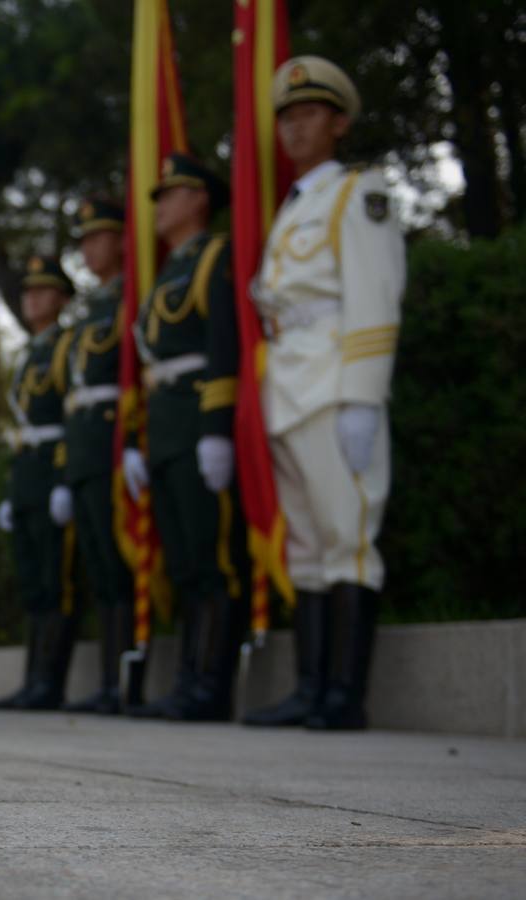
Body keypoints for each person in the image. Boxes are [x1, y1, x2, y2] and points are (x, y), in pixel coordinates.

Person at [243, 57, 404, 731]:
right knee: (306, 545)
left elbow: (374, 296)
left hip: (336, 385)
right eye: (286, 116)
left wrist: (364, 396)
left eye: (308, 114)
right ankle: (310, 690)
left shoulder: (358, 193)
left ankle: (345, 695)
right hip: (287, 385)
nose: (293, 127)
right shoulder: (294, 208)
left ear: (337, 123)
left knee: (350, 539)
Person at [123, 154, 249, 722]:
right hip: (168, 430)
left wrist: (216, 428)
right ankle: (188, 683)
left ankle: (212, 687)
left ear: (199, 199)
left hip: (199, 420)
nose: (160, 206)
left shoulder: (214, 256)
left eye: (170, 194)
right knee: (184, 564)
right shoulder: (167, 274)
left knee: (214, 558)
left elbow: (224, 344)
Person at [50, 199, 142, 714]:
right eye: (83, 239)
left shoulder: (130, 296)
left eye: (98, 237)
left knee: (121, 559)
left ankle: (127, 679)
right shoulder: (92, 308)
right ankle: (111, 680)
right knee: (101, 568)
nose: (88, 247)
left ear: (122, 241)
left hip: (111, 439)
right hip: (85, 445)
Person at [0, 256, 79, 711]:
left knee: (55, 577)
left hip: (52, 469)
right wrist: (12, 489)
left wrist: (64, 478)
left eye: (43, 291)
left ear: (62, 299)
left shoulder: (67, 345)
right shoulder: (30, 352)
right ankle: (33, 680)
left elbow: (72, 416)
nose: (33, 299)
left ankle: (51, 682)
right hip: (27, 473)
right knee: (32, 582)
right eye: (28, 292)